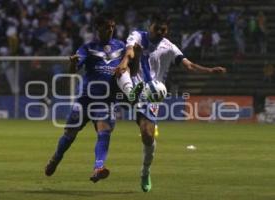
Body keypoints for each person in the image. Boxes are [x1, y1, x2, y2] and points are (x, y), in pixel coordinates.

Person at [116, 14, 226, 192]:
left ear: (167, 30)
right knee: (120, 72)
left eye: (163, 29)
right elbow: (129, 50)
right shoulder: (137, 36)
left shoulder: (169, 47)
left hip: (151, 95)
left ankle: (145, 172)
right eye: (156, 28)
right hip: (134, 84)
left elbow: (188, 65)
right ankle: (130, 93)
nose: (159, 32)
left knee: (147, 135)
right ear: (150, 25)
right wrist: (124, 61)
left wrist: (210, 70)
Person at [45, 12, 142, 183]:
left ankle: (98, 167)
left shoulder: (121, 46)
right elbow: (73, 71)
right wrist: (73, 63)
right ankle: (56, 157)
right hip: (85, 99)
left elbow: (132, 72)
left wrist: (137, 57)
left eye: (113, 26)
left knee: (104, 132)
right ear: (97, 28)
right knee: (70, 133)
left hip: (107, 100)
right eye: (107, 26)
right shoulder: (87, 48)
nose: (111, 29)